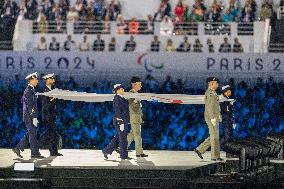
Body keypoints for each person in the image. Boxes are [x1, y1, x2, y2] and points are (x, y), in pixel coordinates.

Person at [13, 72, 45, 159]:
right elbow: (30, 105)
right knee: (32, 134)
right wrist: (33, 116)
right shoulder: (29, 90)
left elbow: (23, 100)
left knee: (31, 133)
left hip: (29, 115)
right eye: (35, 79)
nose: (37, 81)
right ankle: (34, 153)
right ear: (31, 80)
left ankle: (18, 148)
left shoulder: (31, 90)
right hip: (29, 116)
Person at [194, 77, 223, 161]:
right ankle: (214, 156)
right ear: (211, 83)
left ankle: (200, 149)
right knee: (214, 137)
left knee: (215, 136)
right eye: (216, 83)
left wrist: (219, 116)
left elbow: (216, 107)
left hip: (215, 117)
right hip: (211, 117)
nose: (217, 85)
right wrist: (213, 118)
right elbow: (210, 107)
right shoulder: (210, 93)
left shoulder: (213, 93)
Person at [103, 84, 131, 160]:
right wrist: (121, 120)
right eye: (122, 89)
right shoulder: (117, 99)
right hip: (120, 120)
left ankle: (106, 150)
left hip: (123, 120)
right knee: (123, 138)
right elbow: (118, 110)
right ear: (117, 90)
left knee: (119, 137)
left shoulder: (123, 99)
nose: (123, 90)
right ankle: (123, 155)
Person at [40, 73, 63, 157]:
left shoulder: (51, 89)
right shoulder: (45, 90)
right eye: (52, 78)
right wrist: (52, 99)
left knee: (53, 134)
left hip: (52, 115)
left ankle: (54, 151)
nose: (53, 80)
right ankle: (52, 151)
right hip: (48, 116)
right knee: (51, 134)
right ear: (47, 80)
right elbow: (45, 105)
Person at [127, 77, 148, 157]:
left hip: (136, 117)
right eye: (139, 84)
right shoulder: (131, 94)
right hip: (134, 117)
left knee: (132, 134)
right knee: (137, 135)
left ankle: (122, 147)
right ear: (134, 84)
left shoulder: (135, 94)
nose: (140, 86)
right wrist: (137, 101)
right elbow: (132, 107)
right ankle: (139, 153)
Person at [220, 85, 236, 158]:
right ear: (225, 92)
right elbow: (225, 111)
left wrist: (233, 122)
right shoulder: (222, 100)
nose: (230, 92)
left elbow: (231, 113)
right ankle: (228, 153)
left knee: (229, 137)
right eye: (228, 91)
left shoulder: (228, 99)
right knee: (227, 137)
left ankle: (229, 151)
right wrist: (230, 104)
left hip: (229, 120)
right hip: (226, 121)